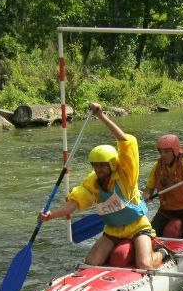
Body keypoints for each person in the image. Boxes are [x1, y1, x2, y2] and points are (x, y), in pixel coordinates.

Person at [38, 102, 165, 269]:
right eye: (95, 165)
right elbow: (74, 203)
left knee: (144, 264)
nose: (97, 169)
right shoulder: (93, 181)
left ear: (111, 164)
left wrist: (101, 116)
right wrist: (51, 215)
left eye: (101, 165)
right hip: (113, 230)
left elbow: (125, 141)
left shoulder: (126, 174)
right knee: (91, 263)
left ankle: (162, 252)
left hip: (138, 227)